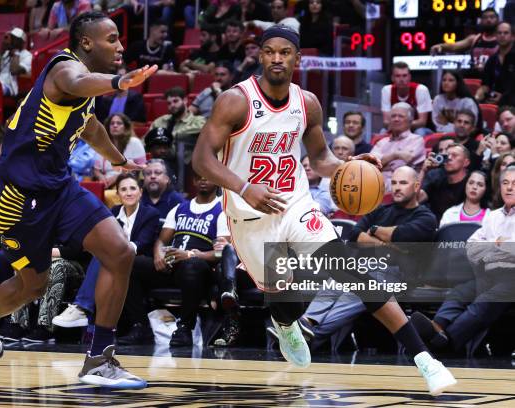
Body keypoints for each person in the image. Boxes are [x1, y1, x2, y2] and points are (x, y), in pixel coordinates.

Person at [192, 24, 457, 395]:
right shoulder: (235, 101)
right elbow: (201, 159)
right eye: (270, 51)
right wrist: (243, 187)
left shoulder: (307, 103)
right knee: (286, 303)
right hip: (250, 215)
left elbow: (319, 158)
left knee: (352, 272)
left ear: (297, 59)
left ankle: (426, 360)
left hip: (296, 203)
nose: (277, 58)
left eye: (285, 52)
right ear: (260, 55)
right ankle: (285, 327)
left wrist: (348, 167)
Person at [0, 11, 157, 389]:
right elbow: (80, 82)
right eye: (111, 39)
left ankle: (99, 357)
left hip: (60, 188)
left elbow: (91, 126)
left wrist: (117, 159)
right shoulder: (65, 70)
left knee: (120, 251)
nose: (119, 46)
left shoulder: (83, 93)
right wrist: (118, 81)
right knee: (33, 285)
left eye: (118, 39)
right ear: (85, 43)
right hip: (18, 197)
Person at [300, 167, 437, 349]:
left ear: (417, 186)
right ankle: (308, 322)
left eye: (403, 183)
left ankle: (307, 340)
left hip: (397, 275)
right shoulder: (380, 210)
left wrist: (372, 231)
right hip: (366, 266)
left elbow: (401, 235)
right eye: (394, 182)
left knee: (354, 292)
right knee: (340, 273)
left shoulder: (426, 217)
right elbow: (355, 235)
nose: (396, 187)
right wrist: (386, 243)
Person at [411, 166, 515, 354]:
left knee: (483, 302)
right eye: (505, 183)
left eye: (514, 184)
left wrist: (493, 248)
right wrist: (497, 246)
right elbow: (472, 244)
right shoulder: (493, 217)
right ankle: (437, 327)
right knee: (459, 293)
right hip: (488, 274)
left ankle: (445, 344)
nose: (509, 188)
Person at [121, 172, 228, 346]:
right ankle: (140, 326)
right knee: (130, 263)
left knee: (192, 265)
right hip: (173, 267)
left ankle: (185, 328)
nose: (202, 179)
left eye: (207, 176)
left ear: (216, 181)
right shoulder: (179, 208)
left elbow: (223, 253)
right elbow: (162, 240)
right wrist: (158, 255)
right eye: (199, 177)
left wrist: (192, 255)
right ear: (193, 181)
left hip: (201, 271)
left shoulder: (222, 211)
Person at [55, 174, 160, 335]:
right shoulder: (112, 212)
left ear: (140, 192)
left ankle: (82, 308)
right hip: (116, 261)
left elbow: (143, 243)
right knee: (104, 255)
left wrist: (119, 250)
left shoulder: (150, 213)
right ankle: (91, 321)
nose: (128, 193)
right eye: (123, 189)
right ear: (117, 194)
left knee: (108, 253)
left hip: (142, 262)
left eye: (132, 188)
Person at [430, 8, 500, 78]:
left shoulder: (501, 40)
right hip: (476, 79)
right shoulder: (475, 39)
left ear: (497, 20)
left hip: (495, 78)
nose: (488, 20)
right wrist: (441, 46)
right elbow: (454, 46)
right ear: (481, 21)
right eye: (485, 17)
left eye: (492, 17)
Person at [371, 103, 426, 190]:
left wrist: (381, 166)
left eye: (401, 116)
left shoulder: (416, 140)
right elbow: (371, 165)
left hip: (401, 189)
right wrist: (396, 155)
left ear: (410, 120)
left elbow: (401, 166)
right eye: (393, 116)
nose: (396, 119)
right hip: (376, 188)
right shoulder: (382, 142)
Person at [149, 87, 206, 165]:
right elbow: (146, 141)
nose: (172, 105)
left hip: (186, 165)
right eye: (169, 103)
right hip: (160, 164)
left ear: (185, 100)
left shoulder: (198, 120)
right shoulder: (160, 121)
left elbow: (201, 129)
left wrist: (169, 136)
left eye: (175, 101)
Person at [419, 144, 471, 221]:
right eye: (447, 155)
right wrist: (423, 171)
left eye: (454, 155)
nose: (449, 158)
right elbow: (416, 199)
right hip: (436, 228)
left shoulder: (471, 182)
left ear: (466, 162)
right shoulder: (436, 178)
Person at [93, 114, 146, 188]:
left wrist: (117, 177)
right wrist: (101, 177)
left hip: (129, 182)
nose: (115, 125)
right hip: (105, 183)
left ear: (126, 127)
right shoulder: (103, 144)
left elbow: (142, 167)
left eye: (119, 123)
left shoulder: (135, 142)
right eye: (112, 123)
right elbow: (96, 170)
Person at [381, 62, 433, 135]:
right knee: (383, 132)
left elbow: (422, 122)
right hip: (396, 127)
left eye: (404, 76)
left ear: (409, 77)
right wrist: (398, 126)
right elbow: (386, 121)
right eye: (398, 76)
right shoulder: (387, 90)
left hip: (419, 128)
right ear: (392, 78)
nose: (401, 79)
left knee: (419, 132)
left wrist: (400, 125)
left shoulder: (421, 90)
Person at [0, 28, 32, 110]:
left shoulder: (27, 55)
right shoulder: (4, 52)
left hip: (11, 87)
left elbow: (14, 71)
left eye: (15, 38)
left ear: (22, 42)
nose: (12, 40)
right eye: (12, 38)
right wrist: (0, 54)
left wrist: (16, 52)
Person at [476, 22, 515, 106]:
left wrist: (503, 98)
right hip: (495, 102)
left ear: (512, 37)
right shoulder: (492, 60)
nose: (502, 35)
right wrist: (478, 96)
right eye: (499, 33)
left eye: (506, 33)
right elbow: (486, 85)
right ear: (496, 36)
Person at [140, 158, 185, 224]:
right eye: (148, 173)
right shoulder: (137, 199)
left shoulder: (178, 202)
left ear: (167, 179)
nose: (152, 176)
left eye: (157, 173)